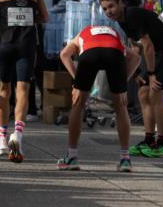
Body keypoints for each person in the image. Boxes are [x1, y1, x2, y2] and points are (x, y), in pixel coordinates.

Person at [100, 0, 163, 158]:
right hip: (159, 53)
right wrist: (137, 72)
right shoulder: (122, 19)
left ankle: (162, 144)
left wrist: (151, 74)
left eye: (111, 6)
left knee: (155, 96)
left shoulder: (132, 15)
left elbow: (148, 46)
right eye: (105, 9)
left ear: (120, 3)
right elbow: (134, 46)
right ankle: (149, 140)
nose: (109, 11)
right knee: (143, 94)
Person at [0, 0, 49, 162]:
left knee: (4, 88)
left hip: (5, 42)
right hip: (27, 43)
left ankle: (2, 139)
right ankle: (19, 134)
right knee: (22, 88)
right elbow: (45, 16)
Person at [57, 23, 140, 171]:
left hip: (90, 54)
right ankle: (125, 159)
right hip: (114, 53)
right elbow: (135, 58)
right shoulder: (113, 33)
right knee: (121, 107)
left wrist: (77, 81)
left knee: (78, 104)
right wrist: (122, 83)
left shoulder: (82, 34)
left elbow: (64, 54)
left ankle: (72, 157)